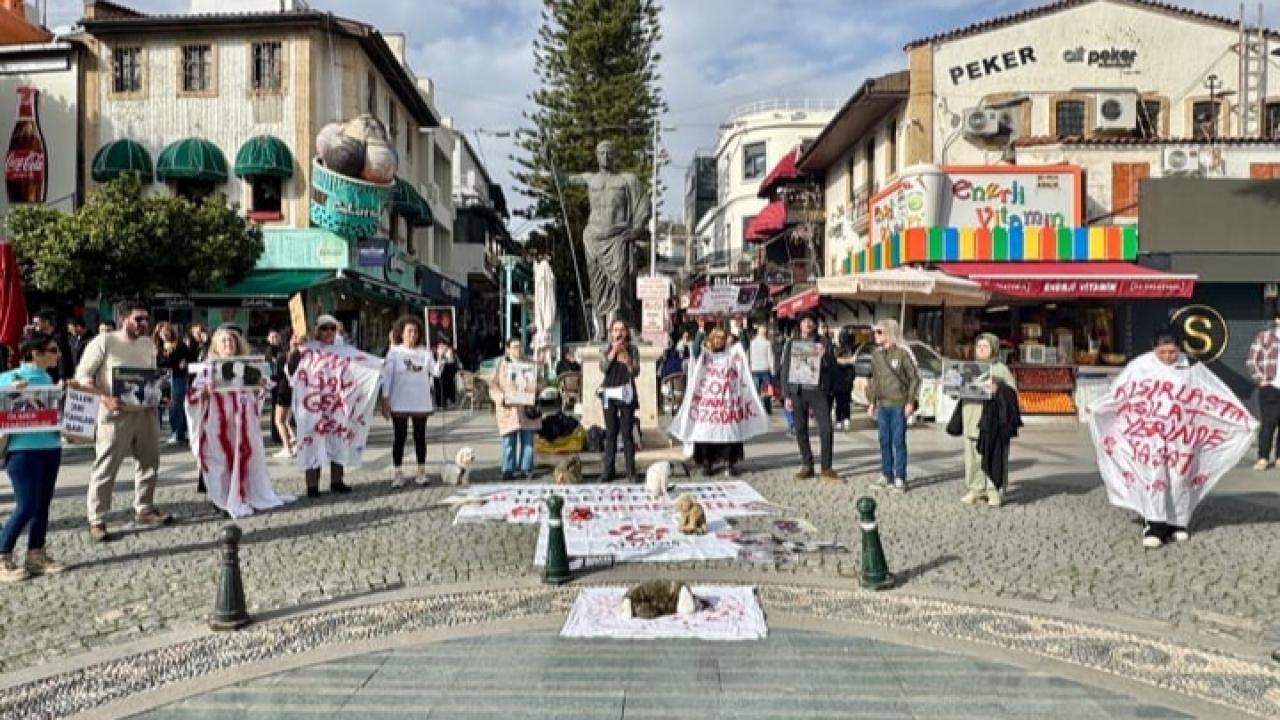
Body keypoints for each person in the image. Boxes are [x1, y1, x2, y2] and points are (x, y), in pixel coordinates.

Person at [1090, 330, 1255, 549]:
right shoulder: (1139, 367)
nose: (1168, 357)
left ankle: (1178, 522)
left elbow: (1214, 395)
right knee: (1155, 477)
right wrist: (1097, 407)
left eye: (1172, 352)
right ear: (1154, 348)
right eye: (1163, 352)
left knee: (1180, 478)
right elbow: (1120, 394)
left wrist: (1243, 419)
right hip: (1151, 436)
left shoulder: (1192, 368)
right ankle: (1155, 523)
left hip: (1182, 436)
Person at [73, 302, 170, 542]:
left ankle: (145, 508)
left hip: (146, 412)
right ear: (123, 318)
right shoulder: (104, 341)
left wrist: (161, 395)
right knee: (106, 466)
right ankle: (97, 519)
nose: (143, 323)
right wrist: (104, 399)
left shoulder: (148, 344)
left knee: (150, 462)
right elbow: (82, 377)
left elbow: (152, 377)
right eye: (138, 319)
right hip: (115, 414)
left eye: (146, 319)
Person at [187, 327, 293, 517]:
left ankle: (245, 493)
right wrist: (204, 392)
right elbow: (192, 397)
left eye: (231, 341)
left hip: (244, 423)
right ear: (216, 347)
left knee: (245, 458)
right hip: (218, 424)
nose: (228, 344)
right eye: (224, 341)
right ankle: (220, 498)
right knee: (219, 461)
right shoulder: (207, 368)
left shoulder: (248, 367)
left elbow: (261, 391)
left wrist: (260, 386)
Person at [564, 139, 650, 342]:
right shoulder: (589, 179)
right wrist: (549, 156)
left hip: (618, 236)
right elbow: (564, 180)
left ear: (615, 155)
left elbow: (644, 204)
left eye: (609, 152)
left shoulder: (626, 180)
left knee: (623, 284)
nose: (605, 156)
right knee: (597, 286)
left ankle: (628, 329)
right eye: (601, 152)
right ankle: (601, 331)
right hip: (593, 238)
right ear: (596, 156)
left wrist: (635, 229)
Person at [0, 334, 67, 581]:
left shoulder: (48, 378)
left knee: (42, 504)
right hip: (22, 451)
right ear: (35, 353)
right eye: (52, 350)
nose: (57, 354)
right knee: (26, 505)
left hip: (50, 447)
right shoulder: (8, 378)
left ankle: (36, 553)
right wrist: (8, 392)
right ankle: (3, 553)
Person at [292, 314, 359, 497]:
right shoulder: (307, 349)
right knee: (313, 441)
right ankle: (312, 485)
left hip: (336, 406)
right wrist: (293, 351)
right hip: (313, 406)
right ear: (317, 331)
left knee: (337, 440)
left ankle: (337, 481)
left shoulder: (343, 351)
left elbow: (361, 367)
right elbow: (292, 371)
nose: (328, 332)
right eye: (324, 328)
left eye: (332, 328)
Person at [381, 315, 448, 487]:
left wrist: (441, 357)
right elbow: (387, 377)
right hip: (400, 400)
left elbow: (436, 372)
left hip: (420, 400)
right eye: (409, 331)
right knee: (400, 437)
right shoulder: (394, 352)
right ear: (401, 333)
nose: (413, 335)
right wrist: (385, 398)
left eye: (415, 332)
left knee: (420, 436)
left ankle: (421, 471)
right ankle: (398, 472)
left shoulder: (424, 352)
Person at [956, 333, 1018, 507]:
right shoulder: (969, 367)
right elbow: (959, 390)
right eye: (978, 346)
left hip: (991, 423)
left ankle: (993, 490)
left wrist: (998, 389)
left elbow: (1012, 394)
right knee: (972, 458)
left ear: (993, 349)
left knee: (992, 456)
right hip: (970, 419)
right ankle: (975, 489)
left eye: (985, 347)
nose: (981, 350)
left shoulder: (1000, 369)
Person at [780, 313, 838, 481]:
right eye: (804, 322)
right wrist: (786, 395)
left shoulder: (823, 342)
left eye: (811, 321)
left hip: (818, 391)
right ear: (799, 325)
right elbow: (785, 370)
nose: (807, 324)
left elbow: (832, 366)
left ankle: (826, 467)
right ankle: (807, 464)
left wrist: (824, 356)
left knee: (826, 429)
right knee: (800, 429)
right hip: (797, 391)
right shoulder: (791, 343)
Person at [866, 319, 920, 493]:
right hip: (883, 404)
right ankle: (886, 474)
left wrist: (911, 401)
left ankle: (900, 477)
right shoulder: (876, 355)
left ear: (889, 333)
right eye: (875, 332)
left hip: (898, 404)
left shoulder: (902, 354)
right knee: (884, 441)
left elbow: (914, 378)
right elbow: (875, 380)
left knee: (898, 441)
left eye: (879, 332)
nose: (876, 335)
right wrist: (872, 402)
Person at [489, 338, 542, 481]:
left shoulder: (530, 363)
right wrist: (501, 398)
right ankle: (508, 469)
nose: (517, 349)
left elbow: (540, 382)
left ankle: (526, 468)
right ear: (507, 349)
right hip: (508, 409)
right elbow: (493, 386)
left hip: (527, 409)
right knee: (508, 442)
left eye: (519, 346)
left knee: (528, 442)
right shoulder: (501, 365)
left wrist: (535, 389)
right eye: (514, 347)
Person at [598, 321, 641, 483]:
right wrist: (613, 353)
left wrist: (628, 361)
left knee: (627, 433)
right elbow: (603, 367)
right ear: (611, 333)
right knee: (610, 433)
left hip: (626, 393)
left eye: (622, 330)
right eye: (616, 330)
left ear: (626, 332)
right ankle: (608, 470)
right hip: (609, 393)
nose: (619, 333)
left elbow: (636, 371)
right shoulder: (605, 348)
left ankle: (631, 471)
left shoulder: (633, 349)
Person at [1246, 310, 1280, 470]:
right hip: (1270, 387)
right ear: (1277, 319)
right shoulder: (1264, 337)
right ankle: (1263, 457)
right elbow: (1252, 360)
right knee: (1268, 423)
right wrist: (1261, 381)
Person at [155, 321, 192, 445]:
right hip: (160, 380)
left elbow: (190, 358)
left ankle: (178, 433)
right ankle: (155, 434)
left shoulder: (180, 345)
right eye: (161, 332)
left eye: (166, 331)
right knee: (158, 405)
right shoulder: (156, 346)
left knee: (175, 406)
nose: (164, 333)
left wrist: (185, 363)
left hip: (177, 378)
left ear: (171, 331)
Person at [269, 331, 299, 459]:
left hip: (283, 390)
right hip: (293, 390)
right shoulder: (301, 355)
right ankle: (294, 441)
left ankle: (287, 447)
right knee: (287, 420)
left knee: (279, 420)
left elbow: (277, 375)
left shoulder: (285, 356)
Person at [749, 325, 775, 415]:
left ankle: (754, 410)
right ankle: (767, 409)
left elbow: (750, 356)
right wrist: (772, 370)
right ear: (765, 333)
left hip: (754, 369)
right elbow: (770, 357)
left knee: (755, 391)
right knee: (767, 391)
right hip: (765, 369)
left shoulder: (752, 343)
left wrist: (750, 367)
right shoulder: (767, 343)